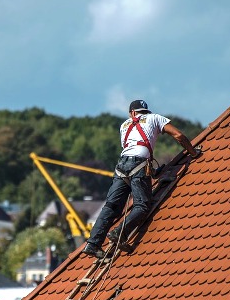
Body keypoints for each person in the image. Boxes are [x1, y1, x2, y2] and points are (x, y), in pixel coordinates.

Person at [81, 99, 201, 258]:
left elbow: (132, 147)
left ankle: (93, 244)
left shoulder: (124, 125)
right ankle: (119, 232)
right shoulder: (155, 118)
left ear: (132, 113)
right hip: (139, 165)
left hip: (121, 167)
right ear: (145, 111)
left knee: (111, 207)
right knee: (142, 205)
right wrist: (193, 153)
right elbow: (178, 135)